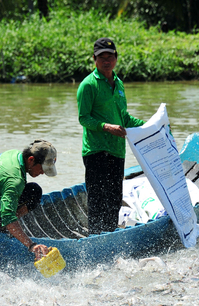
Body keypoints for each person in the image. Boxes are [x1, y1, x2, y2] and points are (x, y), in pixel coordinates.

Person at [77, 37, 146, 234]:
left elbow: (124, 118)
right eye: (102, 57)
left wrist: (150, 126)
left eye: (110, 56)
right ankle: (96, 237)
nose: (106, 61)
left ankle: (108, 235)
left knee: (115, 199)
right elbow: (84, 119)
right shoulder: (88, 85)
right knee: (98, 199)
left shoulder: (119, 84)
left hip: (117, 150)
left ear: (116, 58)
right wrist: (106, 127)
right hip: (96, 151)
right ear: (94, 59)